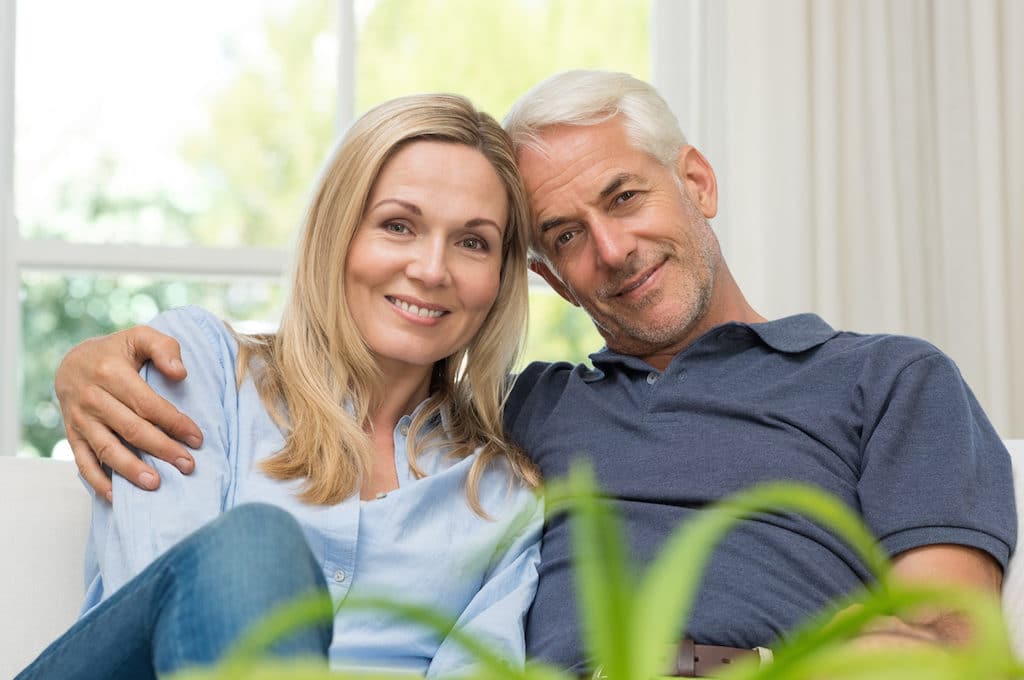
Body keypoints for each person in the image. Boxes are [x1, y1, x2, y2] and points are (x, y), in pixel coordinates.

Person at [54, 71, 1014, 678]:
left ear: (699, 185)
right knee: (252, 550)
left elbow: (954, 646)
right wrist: (85, 361)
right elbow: (162, 593)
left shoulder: (885, 380)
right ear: (548, 274)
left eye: (627, 197)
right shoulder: (524, 417)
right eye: (564, 236)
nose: (613, 248)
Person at [21, 93, 543, 680]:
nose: (430, 269)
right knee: (253, 548)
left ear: (500, 278)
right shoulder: (199, 368)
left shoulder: (502, 494)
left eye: (473, 242)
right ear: (338, 233)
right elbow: (160, 598)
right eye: (398, 226)